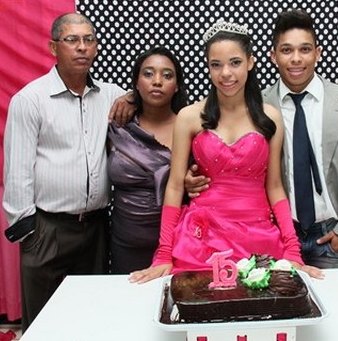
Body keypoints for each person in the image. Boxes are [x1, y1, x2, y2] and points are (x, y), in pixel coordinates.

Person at [187, 9, 338, 269]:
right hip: (276, 234)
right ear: (273, 56)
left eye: (305, 49)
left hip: (333, 235)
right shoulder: (257, 107)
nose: (296, 59)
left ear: (318, 53)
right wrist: (194, 177)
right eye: (287, 50)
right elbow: (229, 158)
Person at [129, 19, 322, 283]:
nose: (226, 73)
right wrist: (164, 253)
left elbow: (275, 186)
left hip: (258, 237)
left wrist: (292, 250)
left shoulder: (270, 118)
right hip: (202, 240)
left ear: (250, 62)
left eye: (235, 62)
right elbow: (174, 186)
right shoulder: (189, 117)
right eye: (216, 65)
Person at [3, 12, 130, 330]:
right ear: (53, 47)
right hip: (47, 229)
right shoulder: (30, 100)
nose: (82, 47)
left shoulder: (111, 96)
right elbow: (17, 171)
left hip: (96, 227)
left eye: (89, 40)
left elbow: (147, 101)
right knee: (43, 325)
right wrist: (29, 232)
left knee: (90, 320)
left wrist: (133, 98)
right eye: (72, 40)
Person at [108, 47, 187, 274]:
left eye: (167, 75)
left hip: (177, 242)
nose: (157, 81)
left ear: (177, 85)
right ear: (136, 82)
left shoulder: (191, 127)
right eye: (148, 74)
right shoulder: (117, 126)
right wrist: (128, 97)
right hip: (125, 242)